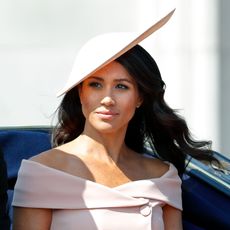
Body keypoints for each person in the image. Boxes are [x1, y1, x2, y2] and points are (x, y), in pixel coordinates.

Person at [12, 9, 218, 230]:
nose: (108, 99)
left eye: (122, 86)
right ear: (81, 93)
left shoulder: (162, 175)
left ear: (139, 97)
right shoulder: (41, 171)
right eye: (95, 85)